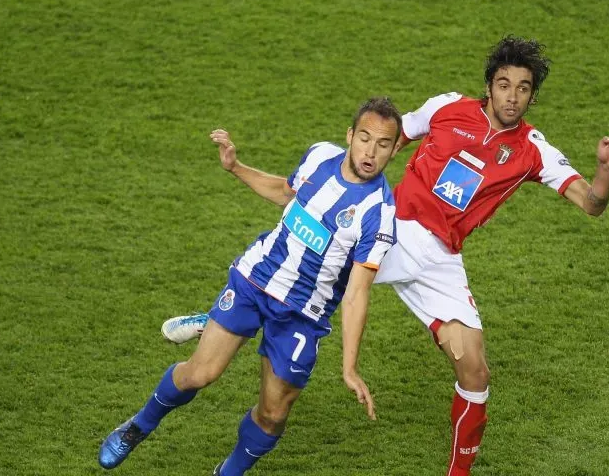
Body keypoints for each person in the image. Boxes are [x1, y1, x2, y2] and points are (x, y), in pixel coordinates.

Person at [162, 37, 609, 475]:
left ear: (532, 97)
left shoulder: (533, 150)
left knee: (475, 370)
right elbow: (384, 138)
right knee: (318, 264)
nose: (511, 96)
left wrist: (605, 169)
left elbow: (592, 204)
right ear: (488, 86)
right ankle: (218, 318)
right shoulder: (447, 107)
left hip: (441, 259)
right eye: (503, 84)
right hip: (395, 229)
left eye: (523, 88)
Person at [99, 97, 403, 476]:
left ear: (395, 149)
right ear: (350, 135)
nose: (370, 152)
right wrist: (235, 168)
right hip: (255, 279)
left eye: (383, 144)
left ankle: (228, 472)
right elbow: (286, 192)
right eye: (365, 138)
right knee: (200, 374)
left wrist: (350, 367)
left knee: (273, 415)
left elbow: (357, 293)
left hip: (302, 314)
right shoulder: (320, 156)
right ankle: (138, 426)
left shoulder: (379, 214)